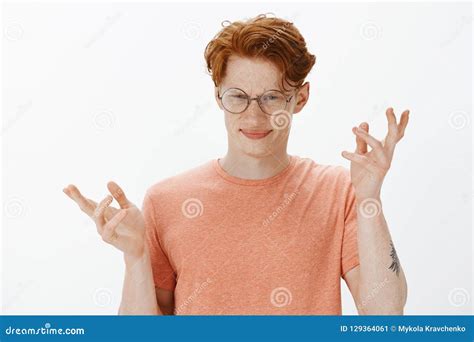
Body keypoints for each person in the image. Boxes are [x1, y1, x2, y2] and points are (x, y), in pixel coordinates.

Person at [63, 14, 409, 315]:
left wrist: (369, 198)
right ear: (218, 97)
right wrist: (136, 256)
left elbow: (386, 314)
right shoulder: (166, 201)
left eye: (272, 97)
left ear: (300, 98)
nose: (254, 116)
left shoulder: (338, 191)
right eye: (238, 97)